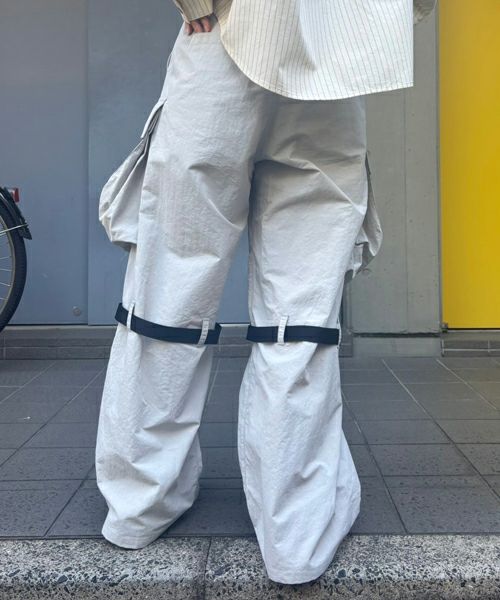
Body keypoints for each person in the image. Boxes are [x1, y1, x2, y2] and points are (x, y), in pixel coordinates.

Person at [96, 0, 437, 585]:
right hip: (335, 64)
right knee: (300, 317)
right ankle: (295, 533)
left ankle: (140, 503)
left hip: (227, 37)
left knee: (169, 293)